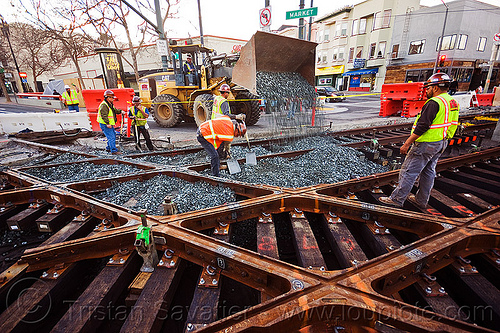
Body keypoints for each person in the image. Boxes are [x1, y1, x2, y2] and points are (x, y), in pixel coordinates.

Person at [379, 73, 459, 209]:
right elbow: (453, 123)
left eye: (428, 88)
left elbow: (422, 126)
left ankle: (397, 200)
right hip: (441, 142)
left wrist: (407, 143)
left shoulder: (434, 102)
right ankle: (421, 201)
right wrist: (445, 138)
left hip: (426, 143)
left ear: (435, 88)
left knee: (408, 171)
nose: (426, 91)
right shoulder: (452, 102)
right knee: (428, 171)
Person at [211, 84, 246, 159]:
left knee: (218, 140)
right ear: (225, 93)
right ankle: (222, 156)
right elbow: (226, 114)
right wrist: (237, 116)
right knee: (223, 141)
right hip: (220, 124)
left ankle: (220, 155)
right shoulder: (224, 102)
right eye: (228, 93)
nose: (229, 94)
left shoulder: (217, 98)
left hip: (214, 122)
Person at [97, 90, 125, 155]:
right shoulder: (104, 105)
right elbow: (104, 115)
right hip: (105, 124)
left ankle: (109, 148)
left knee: (113, 135)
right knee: (111, 137)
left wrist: (120, 111)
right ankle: (114, 151)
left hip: (107, 124)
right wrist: (108, 123)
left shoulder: (109, 104)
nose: (113, 99)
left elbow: (114, 110)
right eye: (112, 98)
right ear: (108, 98)